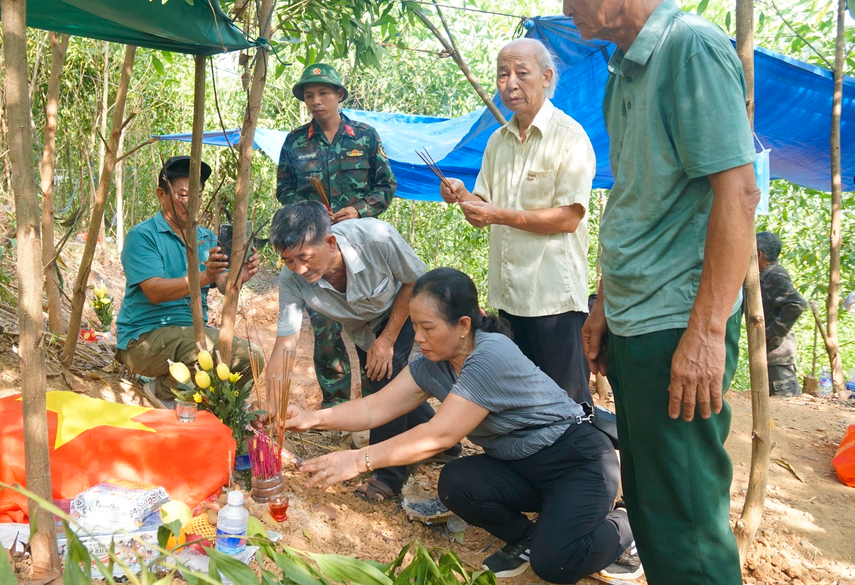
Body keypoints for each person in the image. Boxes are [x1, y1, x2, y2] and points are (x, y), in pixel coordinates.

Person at [552, 0, 760, 584]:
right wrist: (606, 304)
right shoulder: (622, 70)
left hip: (679, 323)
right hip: (638, 322)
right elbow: (642, 199)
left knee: (687, 523)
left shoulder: (690, 47)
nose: (565, 5)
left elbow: (736, 193)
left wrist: (705, 332)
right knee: (649, 508)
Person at [285, 268, 640, 582]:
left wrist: (359, 460)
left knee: (556, 565)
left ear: (463, 325)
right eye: (415, 327)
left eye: (428, 327)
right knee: (457, 483)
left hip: (577, 462)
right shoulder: (432, 363)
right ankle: (529, 536)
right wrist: (312, 419)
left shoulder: (490, 355)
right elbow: (376, 408)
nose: (419, 338)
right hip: (522, 466)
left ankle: (627, 525)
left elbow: (441, 434)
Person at [264, 201, 460, 502]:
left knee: (383, 376)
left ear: (330, 242)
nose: (299, 269)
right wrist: (273, 403)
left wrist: (388, 340)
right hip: (359, 325)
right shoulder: (292, 279)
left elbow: (415, 282)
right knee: (388, 384)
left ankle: (387, 477)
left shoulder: (376, 238)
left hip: (400, 310)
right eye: (289, 261)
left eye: (304, 257)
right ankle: (444, 444)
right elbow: (285, 344)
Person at [440, 40, 596, 405]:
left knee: (567, 400)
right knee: (522, 396)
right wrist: (464, 196)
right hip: (508, 296)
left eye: (521, 73)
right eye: (502, 74)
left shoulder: (569, 138)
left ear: (546, 77)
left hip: (552, 298)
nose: (510, 83)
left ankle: (584, 461)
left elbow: (569, 218)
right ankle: (530, 462)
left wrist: (497, 214)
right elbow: (484, 209)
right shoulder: (498, 141)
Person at [277, 63, 398, 408]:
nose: (316, 101)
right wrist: (309, 214)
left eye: (324, 93)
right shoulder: (295, 142)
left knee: (369, 323)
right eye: (309, 95)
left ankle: (375, 406)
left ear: (339, 96)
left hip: (359, 249)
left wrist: (359, 209)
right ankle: (335, 404)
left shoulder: (365, 136)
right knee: (325, 326)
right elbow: (283, 190)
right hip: (316, 250)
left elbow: (387, 186)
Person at [115, 156, 263, 407]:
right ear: (161, 194)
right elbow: (154, 291)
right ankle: (162, 389)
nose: (191, 202)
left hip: (191, 337)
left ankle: (206, 406)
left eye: (198, 195)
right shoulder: (142, 236)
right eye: (183, 194)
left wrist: (240, 277)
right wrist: (204, 277)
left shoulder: (206, 237)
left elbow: (224, 284)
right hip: (143, 341)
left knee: (252, 358)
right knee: (203, 350)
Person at [756, 231, 807, 397]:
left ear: (758, 254)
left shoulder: (774, 275)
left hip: (778, 352)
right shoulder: (765, 275)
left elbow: (797, 304)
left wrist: (769, 333)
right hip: (772, 352)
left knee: (784, 401)